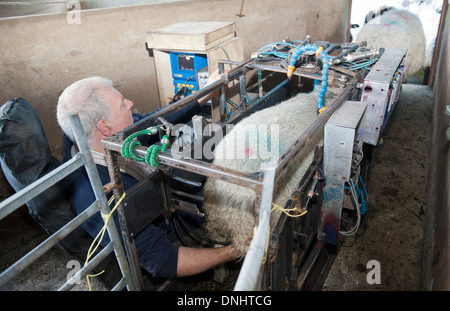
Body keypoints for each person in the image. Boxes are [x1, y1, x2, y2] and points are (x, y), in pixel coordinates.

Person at [56, 72, 237, 281]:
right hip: (164, 231)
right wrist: (234, 251)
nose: (131, 104)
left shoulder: (98, 135)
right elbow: (165, 261)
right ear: (104, 127)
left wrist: (204, 94)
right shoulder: (97, 197)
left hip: (163, 195)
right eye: (123, 105)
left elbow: (155, 121)